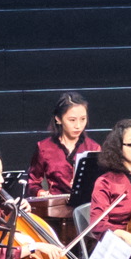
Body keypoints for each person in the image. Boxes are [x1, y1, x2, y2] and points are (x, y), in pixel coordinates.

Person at [33, 94, 97, 222]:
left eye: (83, 119)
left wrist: (84, 186)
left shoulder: (93, 147)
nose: (78, 125)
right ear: (58, 119)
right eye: (72, 120)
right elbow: (33, 181)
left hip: (86, 212)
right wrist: (40, 192)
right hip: (55, 213)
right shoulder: (44, 148)